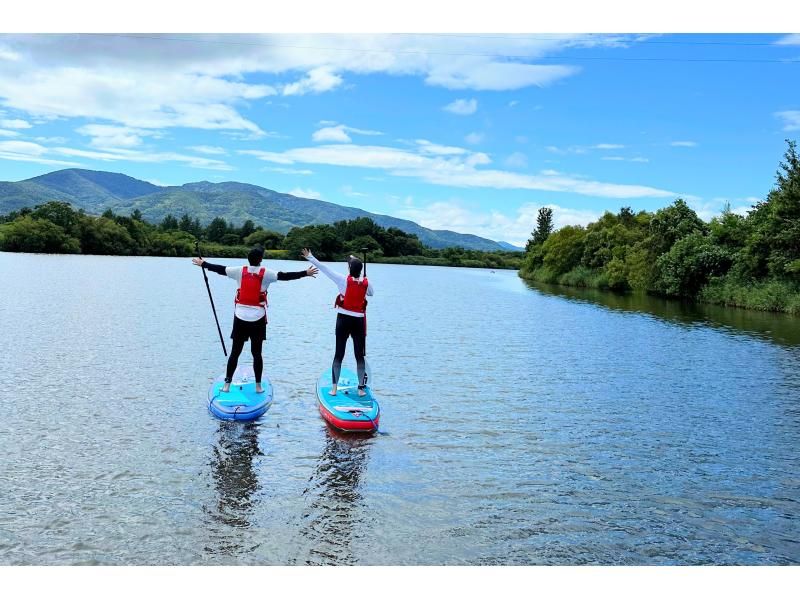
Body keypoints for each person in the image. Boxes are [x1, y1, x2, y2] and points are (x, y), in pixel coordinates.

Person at [192, 245, 318, 393]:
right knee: (256, 353)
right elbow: (285, 276)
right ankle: (258, 386)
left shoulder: (239, 271)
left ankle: (226, 385)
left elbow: (220, 269)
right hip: (258, 319)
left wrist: (203, 264)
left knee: (235, 353)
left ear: (248, 259)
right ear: (261, 260)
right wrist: (306, 273)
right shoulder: (267, 273)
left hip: (240, 317)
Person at [301, 248, 373, 397]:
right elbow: (371, 293)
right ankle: (360, 389)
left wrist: (311, 257)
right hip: (358, 322)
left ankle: (334, 389)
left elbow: (324, 268)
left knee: (338, 354)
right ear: (360, 270)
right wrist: (365, 280)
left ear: (349, 269)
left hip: (343, 320)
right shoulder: (366, 283)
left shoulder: (342, 279)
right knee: (359, 356)